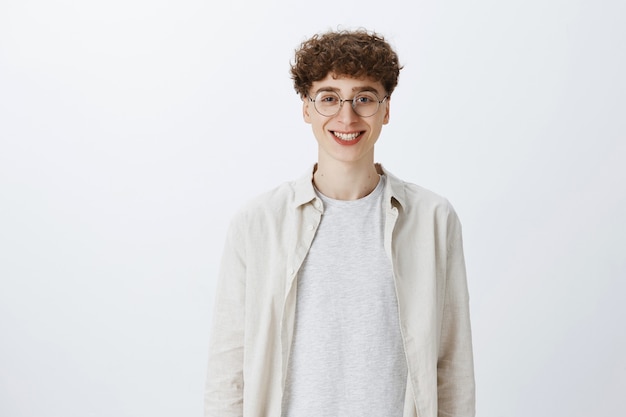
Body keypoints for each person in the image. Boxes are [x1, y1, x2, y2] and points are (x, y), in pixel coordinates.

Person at [204, 29, 475, 417]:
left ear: (386, 109)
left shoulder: (433, 218)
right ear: (306, 108)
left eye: (363, 98)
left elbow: (452, 366)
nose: (346, 117)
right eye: (329, 98)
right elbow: (228, 372)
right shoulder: (257, 223)